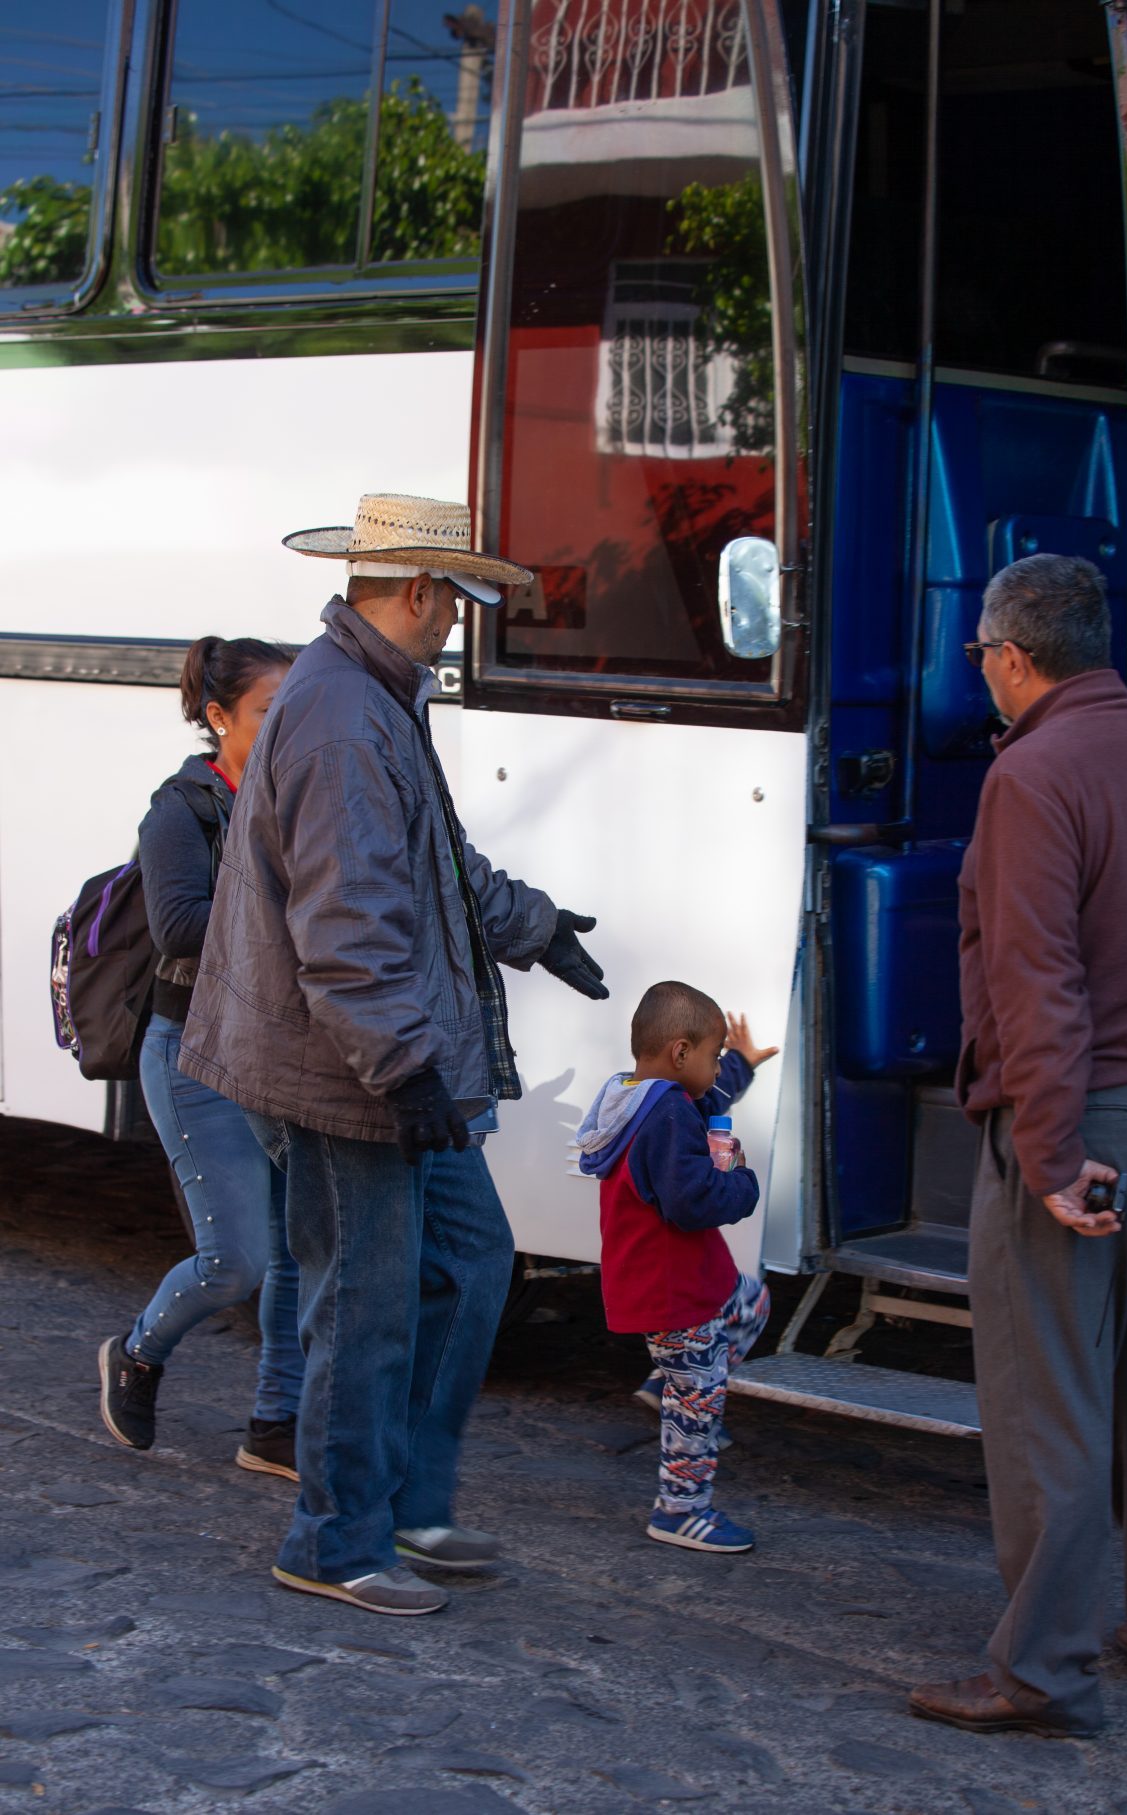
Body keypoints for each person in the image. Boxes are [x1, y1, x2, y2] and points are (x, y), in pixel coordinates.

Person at [178, 493, 608, 1618]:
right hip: (348, 1073)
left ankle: (401, 1507)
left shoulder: (368, 697)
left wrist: (532, 924)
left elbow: (432, 863)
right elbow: (348, 925)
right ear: (418, 592)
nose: (463, 623)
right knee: (362, 1306)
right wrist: (405, 1069)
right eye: (460, 601)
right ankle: (334, 1539)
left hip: (371, 1060)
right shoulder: (340, 716)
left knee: (466, 1264)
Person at [908, 554, 1127, 1739]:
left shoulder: (1031, 774)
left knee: (1048, 1400)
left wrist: (1046, 1157)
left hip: (1087, 1116)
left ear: (1006, 656)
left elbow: (1034, 978)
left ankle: (1041, 1671)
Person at [99, 636, 304, 1480]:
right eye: (267, 711)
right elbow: (180, 924)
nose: (288, 725)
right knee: (237, 1260)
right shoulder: (179, 810)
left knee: (302, 1246)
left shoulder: (306, 794)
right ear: (219, 717)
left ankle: (275, 1422)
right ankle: (138, 1353)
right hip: (195, 1052)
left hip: (288, 1051)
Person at [575, 982, 775, 1554]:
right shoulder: (665, 1117)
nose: (716, 1069)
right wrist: (740, 1182)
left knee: (752, 1303)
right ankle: (680, 1510)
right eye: (713, 1056)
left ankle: (672, 1381)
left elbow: (708, 1095)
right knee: (698, 1403)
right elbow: (693, 1202)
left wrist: (739, 1063)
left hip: (694, 1281)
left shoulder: (642, 1095)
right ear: (681, 1053)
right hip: (673, 1289)